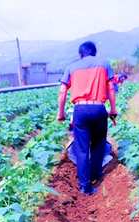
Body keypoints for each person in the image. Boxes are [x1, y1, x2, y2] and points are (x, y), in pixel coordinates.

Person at [57, 41, 117, 195]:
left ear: (80, 54)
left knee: (82, 149)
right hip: (98, 108)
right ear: (94, 53)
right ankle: (96, 175)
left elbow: (63, 91)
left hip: (80, 109)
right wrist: (113, 109)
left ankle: (85, 186)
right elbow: (111, 87)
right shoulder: (104, 64)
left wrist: (61, 113)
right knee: (98, 145)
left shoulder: (71, 67)